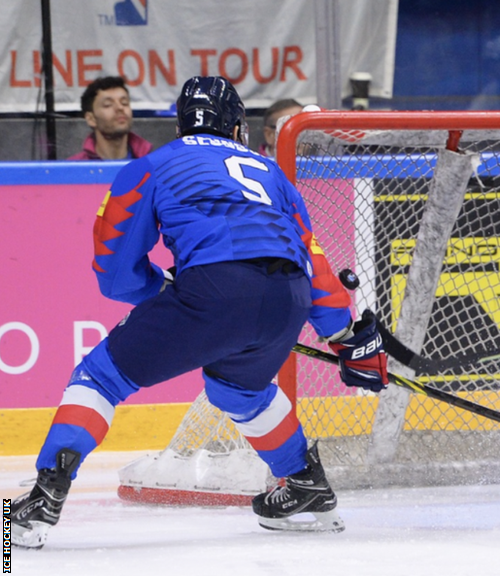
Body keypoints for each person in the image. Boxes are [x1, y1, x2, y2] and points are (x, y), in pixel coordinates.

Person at [4, 76, 389, 548]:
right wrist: (344, 334)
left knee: (101, 377)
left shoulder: (152, 165)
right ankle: (305, 483)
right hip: (288, 298)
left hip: (215, 288)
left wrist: (159, 285)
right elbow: (313, 261)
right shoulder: (273, 175)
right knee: (238, 389)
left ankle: (44, 494)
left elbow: (114, 271)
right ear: (236, 124)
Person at [68, 76, 153, 160]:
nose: (120, 108)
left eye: (124, 103)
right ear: (91, 119)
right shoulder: (75, 168)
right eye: (108, 104)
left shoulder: (152, 163)